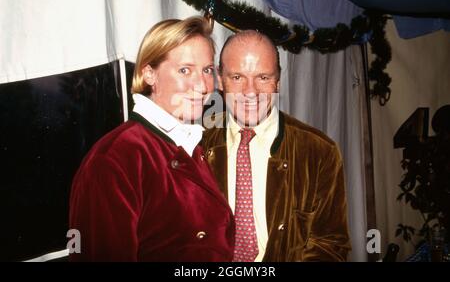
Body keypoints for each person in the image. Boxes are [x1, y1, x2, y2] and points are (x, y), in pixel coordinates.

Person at [69, 16, 235, 261]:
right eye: (184, 70)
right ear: (149, 74)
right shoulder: (116, 158)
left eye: (207, 70)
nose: (202, 86)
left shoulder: (190, 143)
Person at [202, 30, 351, 261]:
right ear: (220, 80)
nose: (250, 92)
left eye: (263, 77)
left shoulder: (319, 152)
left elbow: (330, 245)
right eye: (237, 77)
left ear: (278, 82)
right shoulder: (196, 146)